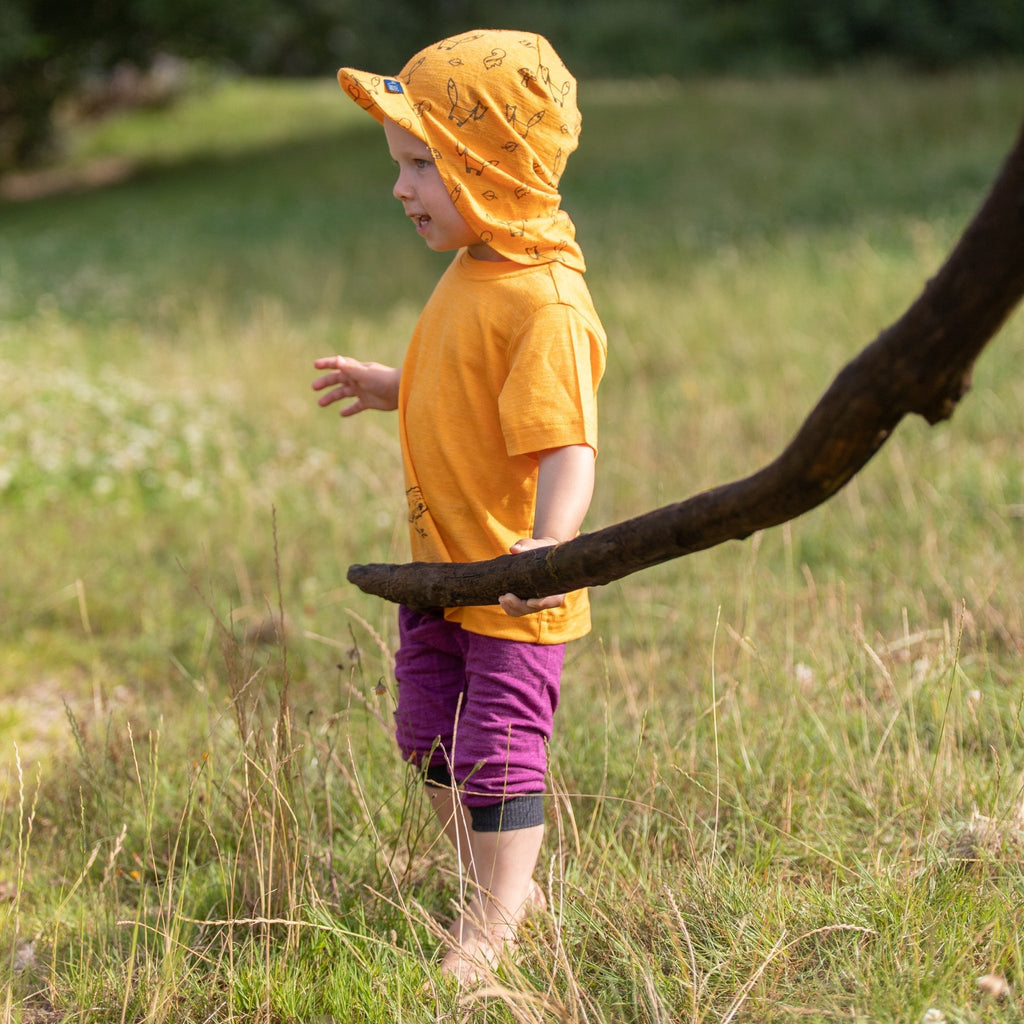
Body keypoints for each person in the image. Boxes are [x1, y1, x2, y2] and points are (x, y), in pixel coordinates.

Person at [311, 28, 607, 983]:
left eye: (421, 167)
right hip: (441, 572)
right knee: (426, 737)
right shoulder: (476, 271)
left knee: (498, 749)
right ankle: (495, 879)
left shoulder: (546, 303)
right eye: (401, 166)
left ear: (491, 166)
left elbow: (568, 442)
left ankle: (494, 928)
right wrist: (394, 384)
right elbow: (467, 386)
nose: (401, 189)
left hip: (515, 582)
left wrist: (548, 550)